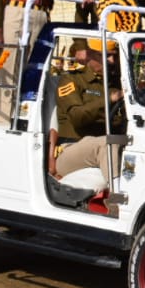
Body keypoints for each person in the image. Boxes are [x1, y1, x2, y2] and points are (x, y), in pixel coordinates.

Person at [53, 37, 124, 194]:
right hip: (70, 150)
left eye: (114, 55)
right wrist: (109, 100)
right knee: (108, 144)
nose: (111, 60)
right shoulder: (72, 79)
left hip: (102, 149)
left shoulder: (116, 83)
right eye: (105, 55)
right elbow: (77, 117)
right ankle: (118, 199)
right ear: (90, 55)